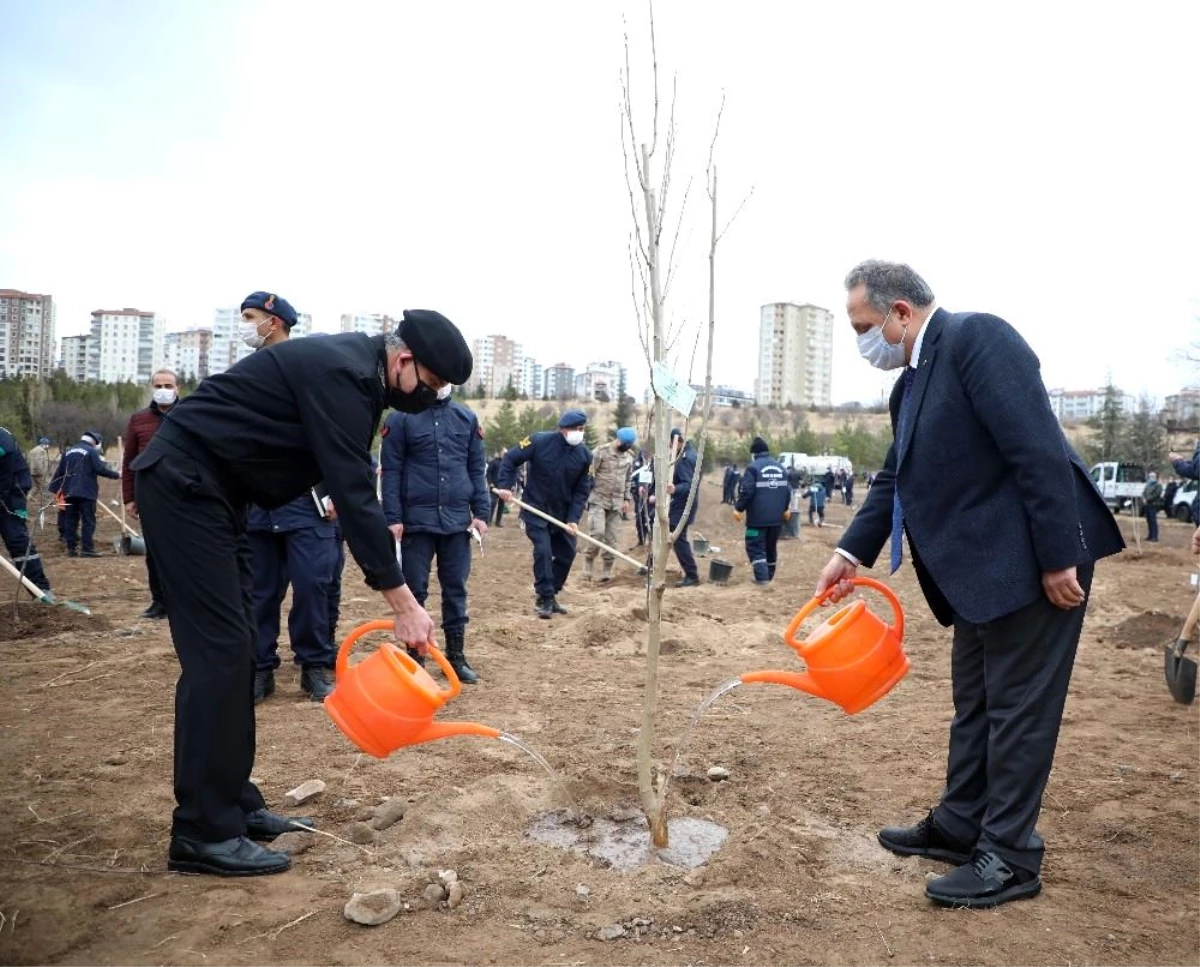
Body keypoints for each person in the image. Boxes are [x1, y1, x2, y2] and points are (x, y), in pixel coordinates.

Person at [815, 260, 1124, 910]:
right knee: (977, 705)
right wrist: (850, 551)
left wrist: (1058, 554)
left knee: (1018, 712)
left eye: (863, 325)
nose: (862, 340)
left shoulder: (978, 340)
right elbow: (893, 480)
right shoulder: (911, 386)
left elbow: (1035, 447)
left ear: (901, 312)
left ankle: (1010, 856)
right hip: (979, 576)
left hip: (1034, 563)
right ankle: (960, 825)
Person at [131, 307, 472, 878]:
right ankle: (201, 832)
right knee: (219, 658)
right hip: (185, 488)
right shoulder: (345, 374)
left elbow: (332, 471)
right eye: (430, 385)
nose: (428, 398)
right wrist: (404, 603)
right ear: (405, 360)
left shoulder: (357, 375)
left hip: (219, 499)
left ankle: (233, 802)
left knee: (237, 653)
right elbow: (356, 490)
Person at [237, 293, 343, 704]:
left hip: (306, 501)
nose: (244, 324)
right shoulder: (244, 374)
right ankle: (260, 668)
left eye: (250, 317)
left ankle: (314, 666)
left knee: (313, 586)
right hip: (259, 503)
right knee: (259, 591)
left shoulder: (309, 372)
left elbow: (337, 436)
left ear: (275, 322)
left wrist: (335, 488)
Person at [381, 389, 490, 683]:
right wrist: (393, 516)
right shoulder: (401, 418)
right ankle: (414, 658)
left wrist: (481, 512)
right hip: (416, 522)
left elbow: (476, 468)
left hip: (457, 523)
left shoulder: (466, 417)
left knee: (456, 589)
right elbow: (391, 470)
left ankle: (455, 656)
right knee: (414, 591)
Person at [495, 409, 592, 619]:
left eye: (582, 429)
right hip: (535, 509)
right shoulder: (539, 441)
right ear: (563, 429)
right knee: (544, 551)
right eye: (575, 429)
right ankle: (545, 596)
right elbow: (511, 459)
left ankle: (552, 593)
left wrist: (574, 519)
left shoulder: (585, 456)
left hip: (563, 515)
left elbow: (581, 491)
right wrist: (505, 486)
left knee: (567, 554)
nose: (579, 433)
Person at [122, 369, 180, 619]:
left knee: (185, 550)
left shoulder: (190, 414)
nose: (163, 389)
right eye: (159, 385)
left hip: (184, 495)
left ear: (178, 389)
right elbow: (129, 461)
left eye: (168, 385)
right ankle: (159, 602)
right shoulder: (139, 419)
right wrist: (129, 497)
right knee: (155, 552)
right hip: (151, 496)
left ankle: (185, 601)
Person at [0, 425, 53, 597]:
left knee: (17, 540)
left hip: (11, 495)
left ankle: (40, 590)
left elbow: (4, 482)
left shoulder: (3, 442)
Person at [49, 431, 120, 558]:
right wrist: (117, 475)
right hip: (86, 492)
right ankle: (87, 549)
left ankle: (71, 549)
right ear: (94, 442)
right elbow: (99, 469)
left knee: (70, 520)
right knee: (88, 521)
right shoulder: (91, 452)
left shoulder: (68, 452)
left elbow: (60, 472)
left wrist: (55, 490)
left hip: (69, 491)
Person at [582, 426, 636, 582]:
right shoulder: (601, 452)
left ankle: (607, 569)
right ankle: (588, 561)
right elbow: (589, 474)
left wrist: (626, 499)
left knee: (611, 538)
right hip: (599, 498)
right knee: (597, 532)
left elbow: (628, 480)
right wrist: (585, 496)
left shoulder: (629, 457)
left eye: (630, 444)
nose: (627, 446)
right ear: (618, 439)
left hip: (617, 503)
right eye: (625, 443)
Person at [734, 436, 791, 584]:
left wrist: (739, 508)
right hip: (777, 520)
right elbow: (787, 491)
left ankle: (763, 580)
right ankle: (768, 577)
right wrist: (786, 508)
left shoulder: (753, 468)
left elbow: (746, 491)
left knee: (755, 547)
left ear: (754, 453)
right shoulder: (781, 468)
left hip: (757, 520)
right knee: (770, 548)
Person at [652, 427, 700, 588]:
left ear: (677, 442)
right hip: (678, 504)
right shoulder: (685, 454)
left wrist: (675, 489)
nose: (667, 448)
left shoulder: (687, 458)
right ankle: (652, 565)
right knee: (664, 533)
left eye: (669, 444)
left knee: (678, 538)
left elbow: (689, 485)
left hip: (683, 505)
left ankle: (692, 575)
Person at [632, 450, 652, 546]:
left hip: (652, 495)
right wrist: (638, 487)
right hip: (639, 495)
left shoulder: (655, 462)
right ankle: (642, 539)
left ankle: (652, 540)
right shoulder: (637, 462)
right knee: (640, 516)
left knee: (651, 517)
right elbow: (633, 477)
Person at [486, 448, 508, 527]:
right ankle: (489, 521)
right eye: (503, 453)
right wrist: (490, 483)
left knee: (501, 505)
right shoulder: (493, 462)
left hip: (503, 487)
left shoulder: (507, 463)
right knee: (492, 504)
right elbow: (488, 473)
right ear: (500, 453)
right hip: (494, 487)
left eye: (506, 453)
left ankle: (498, 522)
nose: (505, 455)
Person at [27, 436, 51, 503]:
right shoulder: (42, 451)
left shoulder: (32, 450)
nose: (48, 446)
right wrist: (40, 471)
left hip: (32, 472)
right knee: (45, 487)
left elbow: (29, 461)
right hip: (40, 472)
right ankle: (46, 501)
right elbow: (39, 461)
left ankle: (29, 497)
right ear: (44, 444)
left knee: (36, 487)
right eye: (47, 444)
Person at [1141, 472, 1163, 543]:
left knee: (1153, 521)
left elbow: (1156, 494)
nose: (1151, 478)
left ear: (1155, 477)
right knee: (1149, 521)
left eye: (1152, 476)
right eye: (1150, 476)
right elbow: (1143, 493)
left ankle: (1154, 537)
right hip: (1147, 505)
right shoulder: (1148, 485)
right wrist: (1143, 498)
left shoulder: (1158, 485)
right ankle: (1150, 536)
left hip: (1153, 505)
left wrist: (1147, 499)